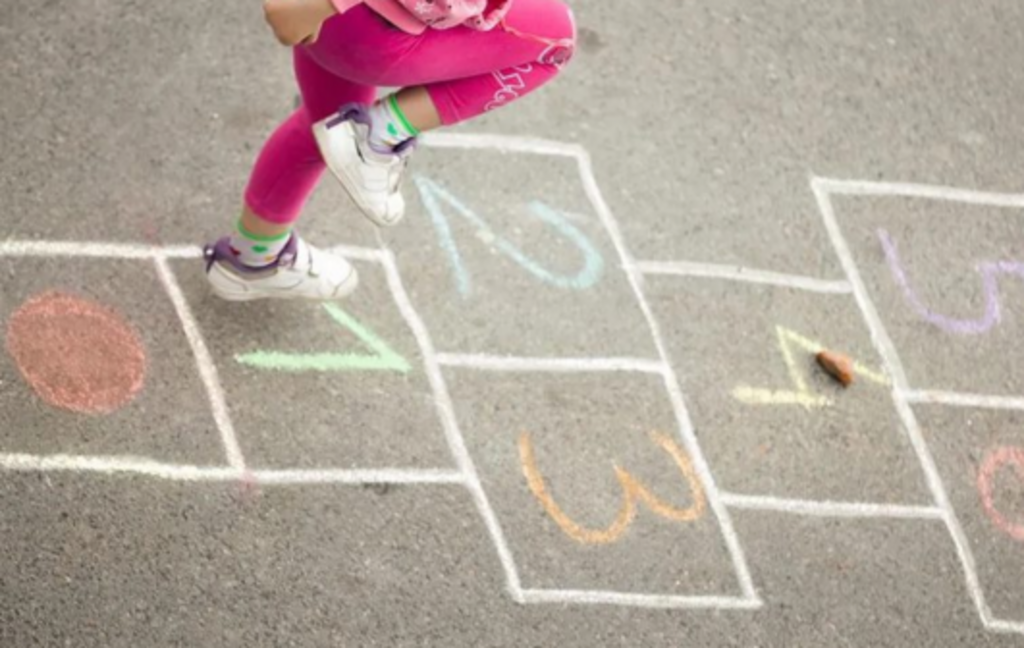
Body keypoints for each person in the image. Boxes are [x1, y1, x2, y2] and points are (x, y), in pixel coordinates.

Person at [204, 0, 577, 301]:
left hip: (333, 28)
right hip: (371, 29)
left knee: (329, 126)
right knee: (556, 41)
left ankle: (252, 258)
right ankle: (378, 136)